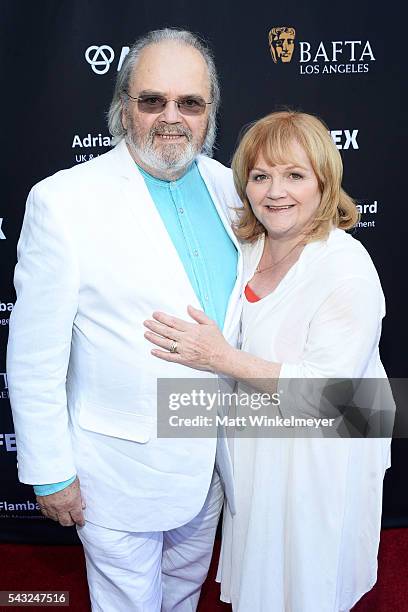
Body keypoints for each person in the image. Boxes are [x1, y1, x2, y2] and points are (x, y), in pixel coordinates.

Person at [7, 28, 243, 611]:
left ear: (209, 112)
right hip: (118, 468)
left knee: (185, 594)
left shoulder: (232, 188)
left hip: (214, 463)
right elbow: (34, 356)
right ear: (121, 106)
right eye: (152, 100)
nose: (172, 117)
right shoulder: (64, 201)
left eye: (190, 102)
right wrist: (49, 471)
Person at [143, 111, 392, 612]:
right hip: (261, 446)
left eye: (294, 175)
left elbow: (331, 397)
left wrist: (219, 357)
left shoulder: (348, 269)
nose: (275, 191)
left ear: (325, 182)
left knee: (307, 583)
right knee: (263, 582)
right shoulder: (250, 245)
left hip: (322, 457)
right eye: (261, 176)